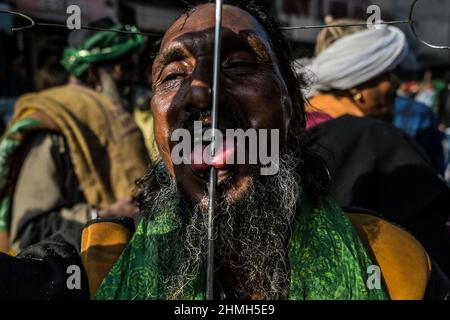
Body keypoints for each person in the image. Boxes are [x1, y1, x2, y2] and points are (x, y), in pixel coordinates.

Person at [0, 2, 448, 300]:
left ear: (293, 114)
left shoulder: (392, 267)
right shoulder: (97, 262)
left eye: (238, 65)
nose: (200, 92)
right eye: (173, 75)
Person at [303, 17, 450, 277]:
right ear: (358, 83)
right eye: (386, 74)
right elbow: (432, 251)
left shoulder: (284, 129)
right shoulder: (381, 141)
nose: (395, 85)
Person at [0, 19, 150, 254]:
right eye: (124, 70)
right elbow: (30, 231)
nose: (132, 81)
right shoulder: (53, 127)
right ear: (92, 74)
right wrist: (104, 215)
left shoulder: (112, 121)